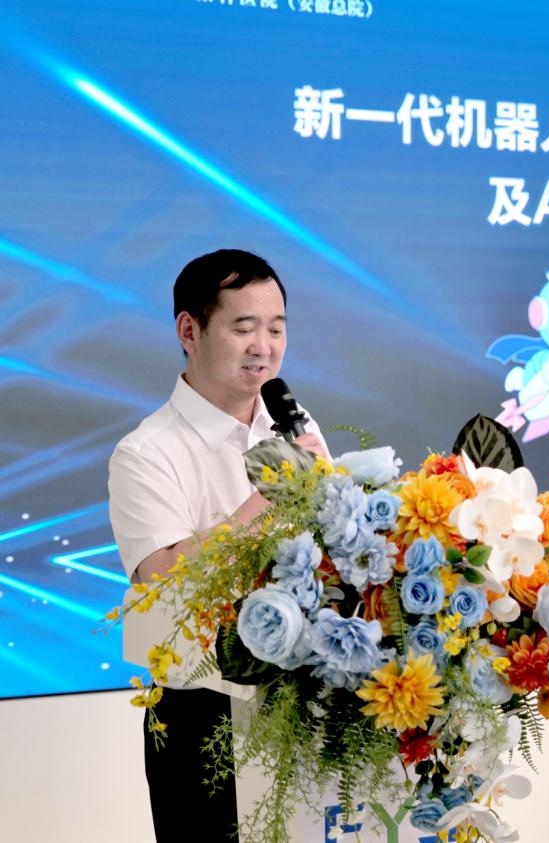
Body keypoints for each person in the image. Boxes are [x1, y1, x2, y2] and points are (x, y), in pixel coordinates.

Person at [108, 249, 329, 841]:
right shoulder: (146, 452)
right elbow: (161, 577)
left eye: (276, 329)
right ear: (189, 331)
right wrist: (268, 500)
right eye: (244, 327)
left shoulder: (294, 423)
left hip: (302, 698)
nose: (264, 346)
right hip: (202, 710)